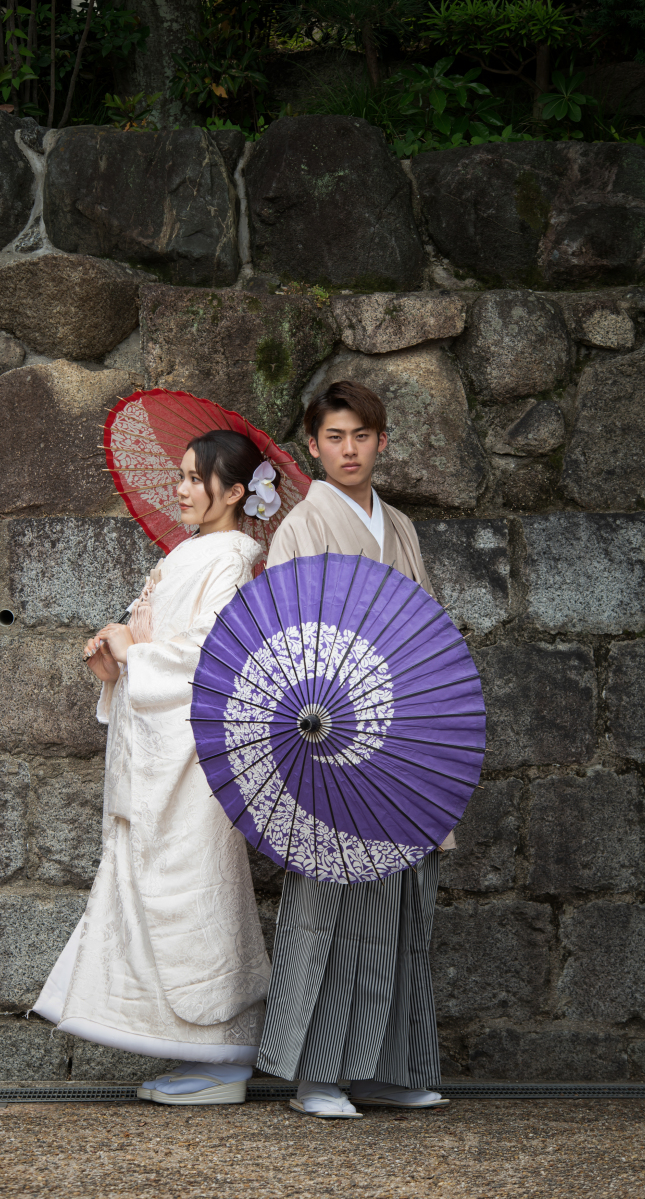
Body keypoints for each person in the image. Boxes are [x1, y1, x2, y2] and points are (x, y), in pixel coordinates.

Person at [34, 430, 275, 1106]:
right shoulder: (189, 552)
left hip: (192, 756)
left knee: (199, 890)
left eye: (198, 479)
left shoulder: (233, 557)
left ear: (235, 492)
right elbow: (155, 639)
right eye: (181, 475)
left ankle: (223, 1053)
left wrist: (134, 652)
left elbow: (212, 652)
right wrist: (116, 659)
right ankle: (194, 1049)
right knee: (155, 890)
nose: (182, 488)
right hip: (158, 746)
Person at [256, 380, 455, 1119]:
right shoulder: (301, 527)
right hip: (331, 738)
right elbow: (285, 636)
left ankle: (385, 1065)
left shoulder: (398, 524)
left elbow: (429, 627)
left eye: (361, 435)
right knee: (328, 904)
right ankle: (316, 1074)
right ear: (312, 445)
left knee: (401, 906)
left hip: (402, 738)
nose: (348, 449)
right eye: (334, 436)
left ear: (380, 441)